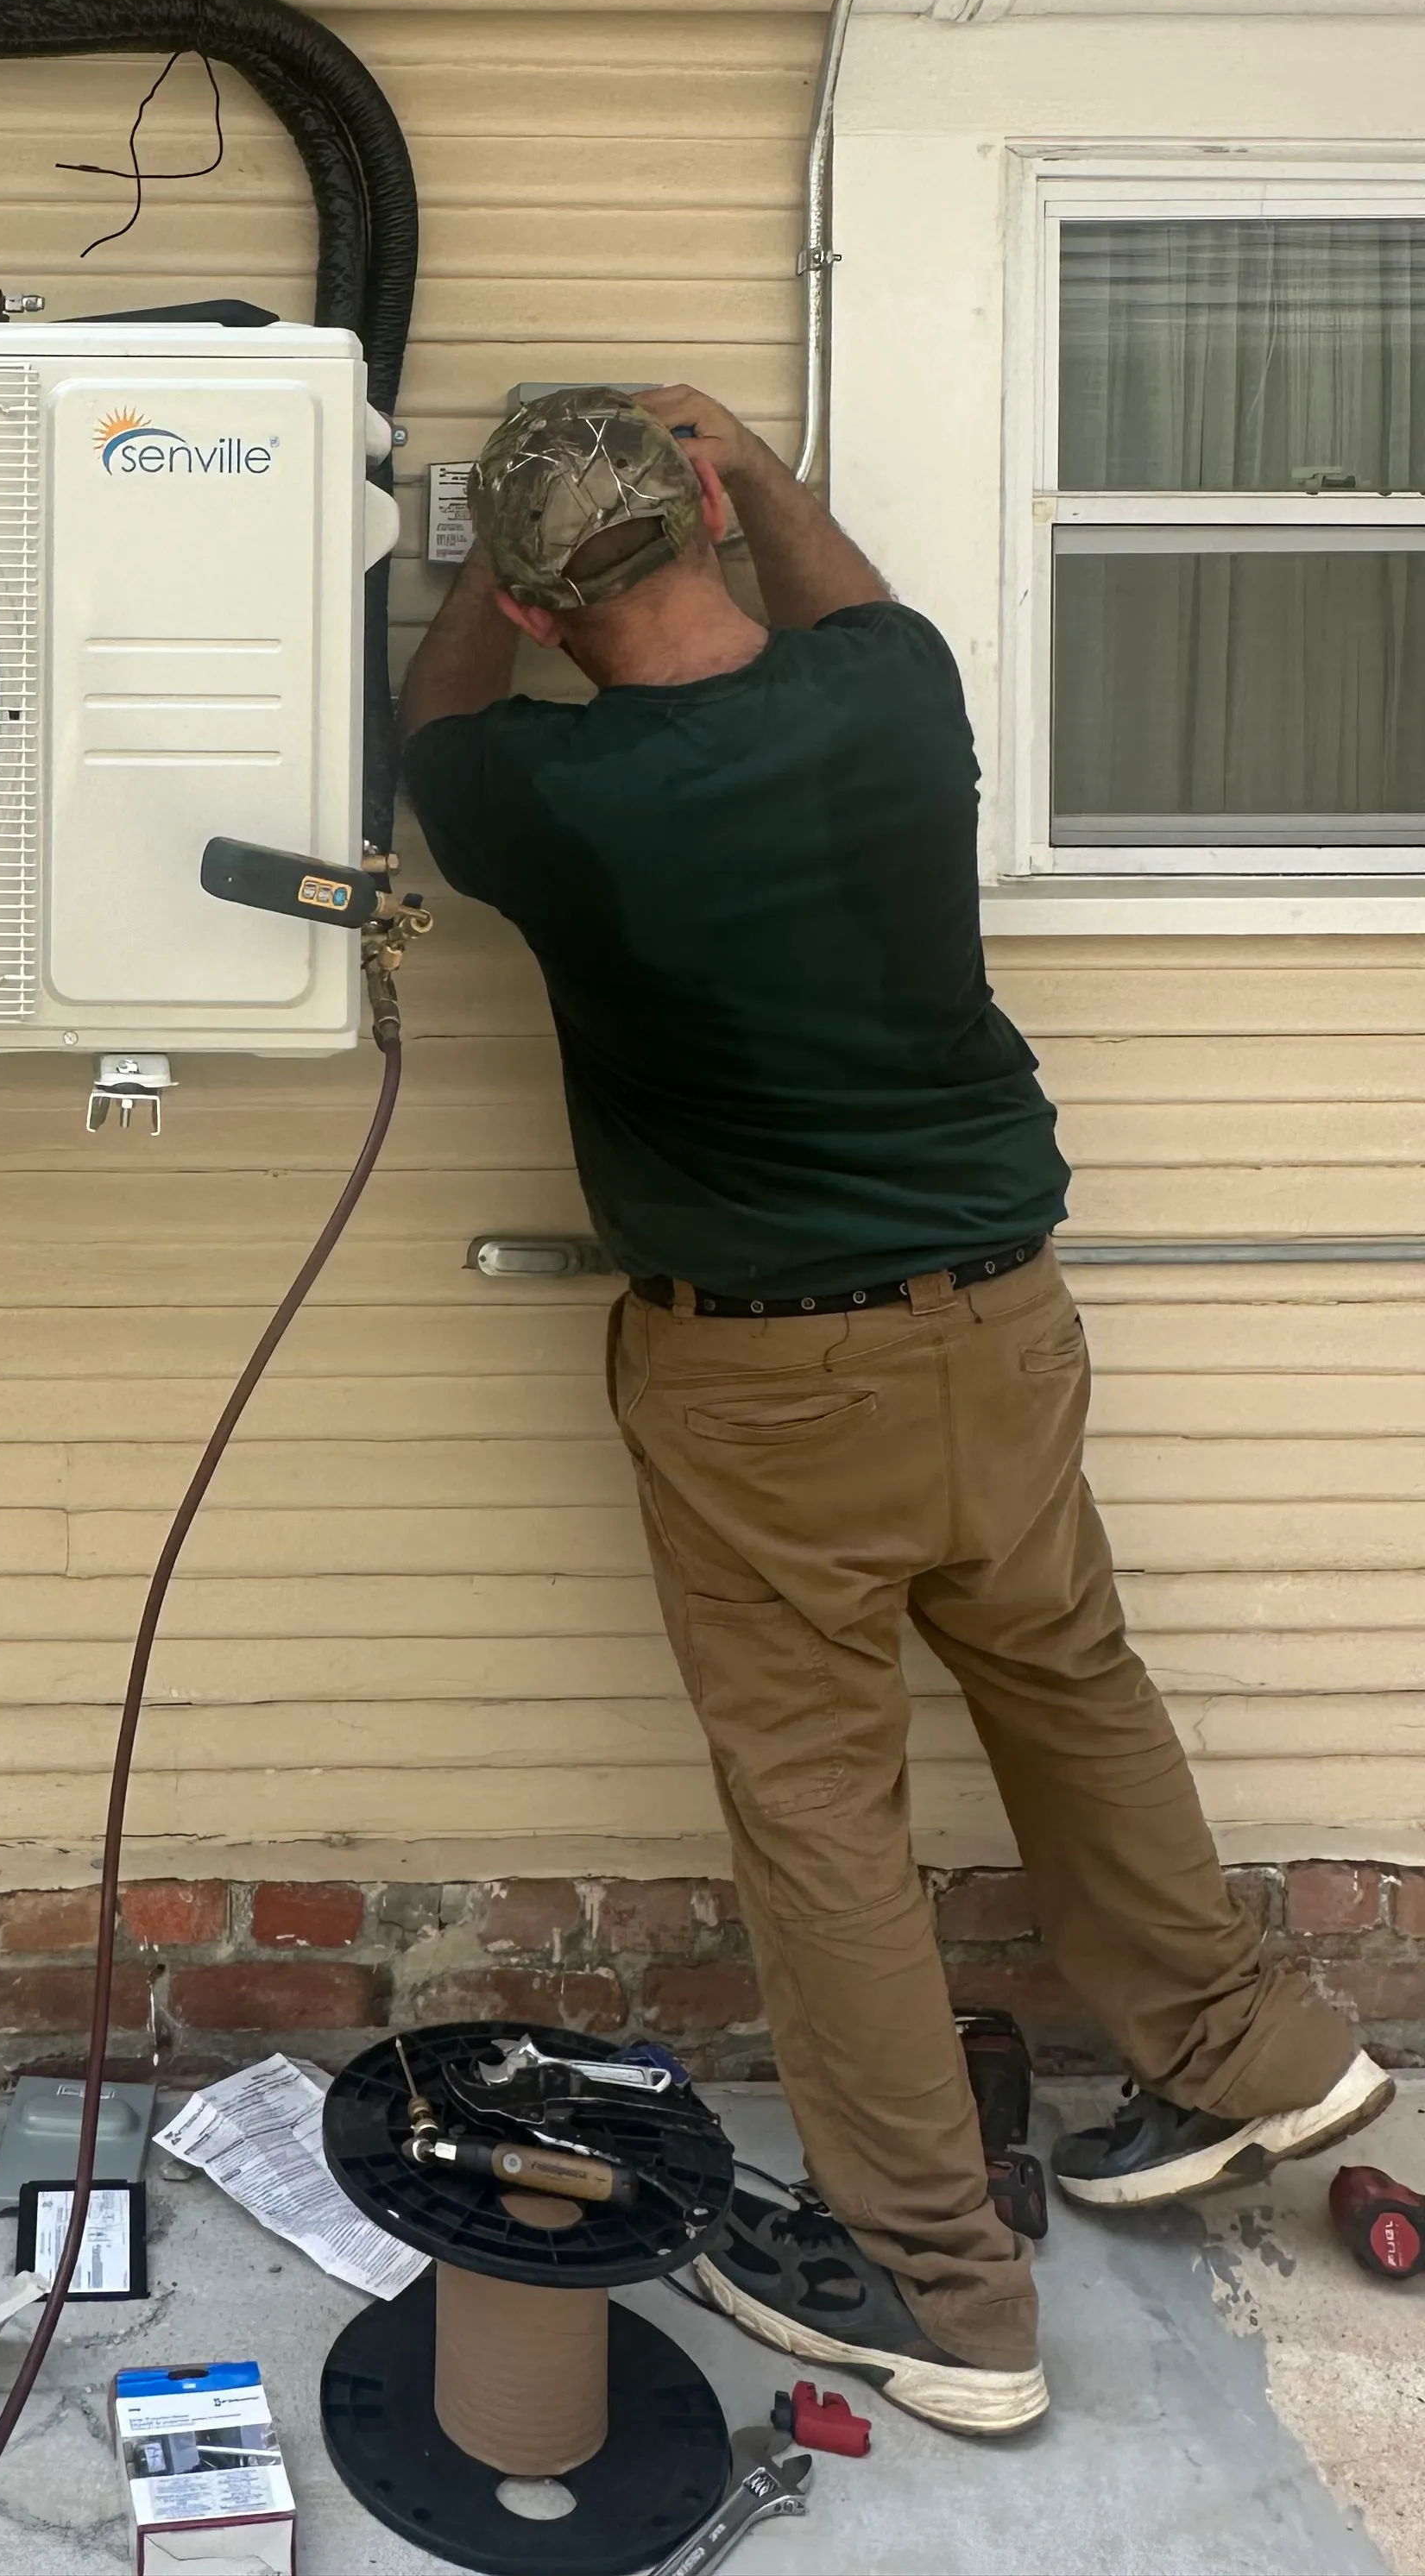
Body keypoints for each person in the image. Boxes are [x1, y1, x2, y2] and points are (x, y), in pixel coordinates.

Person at [397, 382, 1389, 2434]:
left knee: (823, 1812)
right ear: (701, 518)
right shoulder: (893, 687)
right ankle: (1256, 2054)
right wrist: (752, 466)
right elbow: (839, 596)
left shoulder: (550, 806)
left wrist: (492, 590)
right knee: (1070, 1682)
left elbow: (433, 730)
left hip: (766, 1381)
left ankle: (943, 2292)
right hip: (1003, 1324)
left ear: (543, 602)